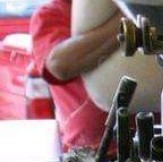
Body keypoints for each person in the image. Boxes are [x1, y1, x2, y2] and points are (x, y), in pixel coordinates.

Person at [30, 0, 121, 151]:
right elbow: (59, 65)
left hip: (151, 137)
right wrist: (124, 23)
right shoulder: (52, 12)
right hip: (89, 150)